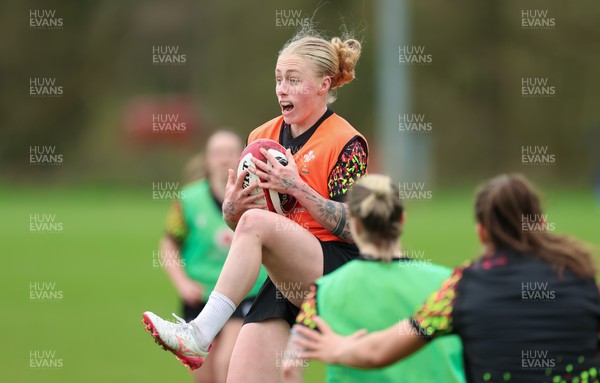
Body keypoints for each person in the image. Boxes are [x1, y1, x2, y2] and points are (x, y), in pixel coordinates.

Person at [142, 26, 369, 383]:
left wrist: (299, 188)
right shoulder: (260, 139)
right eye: (279, 79)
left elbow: (359, 229)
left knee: (256, 226)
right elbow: (250, 227)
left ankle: (199, 334)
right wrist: (232, 212)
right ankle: (200, 336)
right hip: (285, 277)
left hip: (336, 270)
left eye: (294, 80)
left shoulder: (345, 142)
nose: (282, 88)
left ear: (324, 84)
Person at [294, 174, 600, 383]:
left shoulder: (463, 287)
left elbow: (380, 351)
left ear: (481, 232)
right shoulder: (583, 277)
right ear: (541, 223)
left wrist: (337, 349)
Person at [281, 174, 465, 383]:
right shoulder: (449, 283)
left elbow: (289, 367)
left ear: (356, 225)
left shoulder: (322, 292)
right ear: (402, 219)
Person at [150, 130, 268, 383]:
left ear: (241, 156)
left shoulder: (256, 195)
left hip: (245, 295)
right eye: (217, 153)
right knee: (203, 375)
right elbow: (169, 244)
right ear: (207, 158)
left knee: (228, 362)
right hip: (200, 294)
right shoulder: (188, 199)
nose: (224, 158)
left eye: (230, 152)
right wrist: (182, 284)